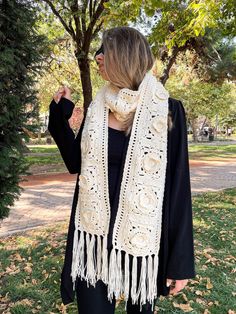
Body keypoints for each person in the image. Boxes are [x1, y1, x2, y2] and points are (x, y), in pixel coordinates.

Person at [48, 26, 195, 314]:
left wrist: (180, 263)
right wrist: (59, 114)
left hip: (142, 241)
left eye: (104, 51)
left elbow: (179, 187)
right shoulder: (97, 109)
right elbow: (75, 163)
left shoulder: (167, 109)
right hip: (94, 239)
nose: (97, 57)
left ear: (125, 56)